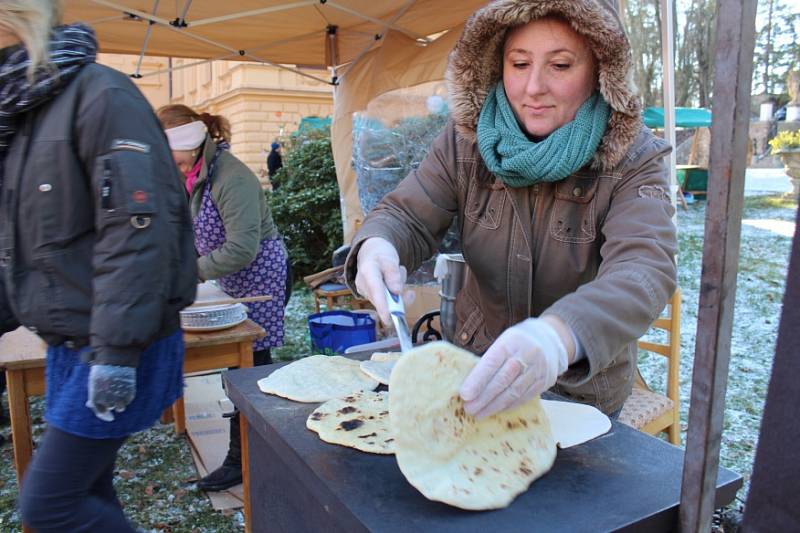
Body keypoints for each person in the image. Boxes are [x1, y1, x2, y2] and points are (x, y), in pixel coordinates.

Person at [346, 0, 677, 419]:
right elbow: (409, 215)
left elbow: (644, 269)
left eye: (560, 65)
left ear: (599, 70)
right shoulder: (464, 143)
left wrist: (558, 339)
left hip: (576, 393)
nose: (534, 86)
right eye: (519, 64)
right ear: (495, 64)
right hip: (473, 373)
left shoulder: (633, 157)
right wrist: (378, 244)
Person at [0, 2, 197, 531]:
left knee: (50, 504)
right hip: (72, 340)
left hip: (119, 343)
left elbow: (138, 229)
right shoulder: (21, 110)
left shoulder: (100, 95)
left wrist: (114, 354)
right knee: (88, 491)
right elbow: (21, 245)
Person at [157, 105, 290, 491]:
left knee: (249, 369)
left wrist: (189, 273)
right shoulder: (195, 172)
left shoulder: (231, 177)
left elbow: (243, 247)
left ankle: (244, 460)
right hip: (230, 279)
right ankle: (250, 450)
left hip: (259, 274)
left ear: (190, 144)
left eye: (171, 157)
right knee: (237, 362)